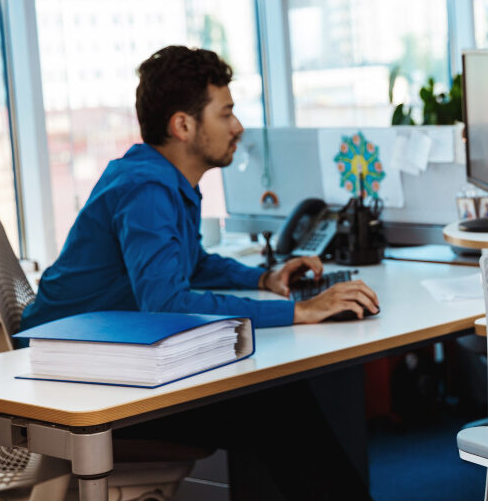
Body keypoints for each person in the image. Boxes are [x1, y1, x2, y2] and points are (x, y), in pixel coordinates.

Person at [22, 45, 378, 499]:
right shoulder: (146, 188)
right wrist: (300, 313)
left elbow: (193, 264)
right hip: (74, 386)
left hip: (107, 362)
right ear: (184, 125)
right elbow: (167, 304)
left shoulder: (166, 180)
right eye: (225, 113)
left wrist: (263, 279)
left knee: (281, 402)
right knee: (281, 409)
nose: (238, 126)